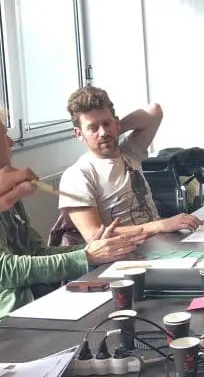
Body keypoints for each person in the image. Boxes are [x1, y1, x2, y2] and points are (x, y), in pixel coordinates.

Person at [0, 113, 144, 317]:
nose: (11, 141)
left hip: (38, 300)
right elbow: (5, 271)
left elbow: (36, 252)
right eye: (3, 133)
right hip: (12, 317)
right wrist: (87, 256)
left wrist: (96, 249)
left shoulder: (9, 193)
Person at [59, 87, 202, 240]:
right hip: (127, 251)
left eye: (106, 123)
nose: (103, 132)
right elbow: (94, 235)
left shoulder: (129, 151)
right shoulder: (77, 175)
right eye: (93, 128)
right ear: (79, 134)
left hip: (161, 241)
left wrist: (115, 130)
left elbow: (154, 112)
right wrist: (160, 225)